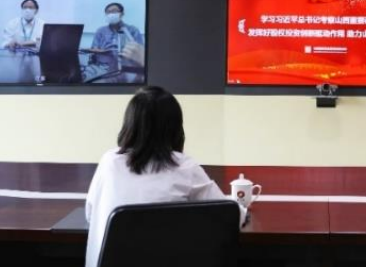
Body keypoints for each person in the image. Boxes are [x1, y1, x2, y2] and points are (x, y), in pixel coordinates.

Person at [85, 86, 246, 267]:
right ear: (175, 127)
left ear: (129, 123)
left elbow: (90, 214)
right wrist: (243, 207)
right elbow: (231, 216)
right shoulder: (184, 166)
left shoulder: (109, 162)